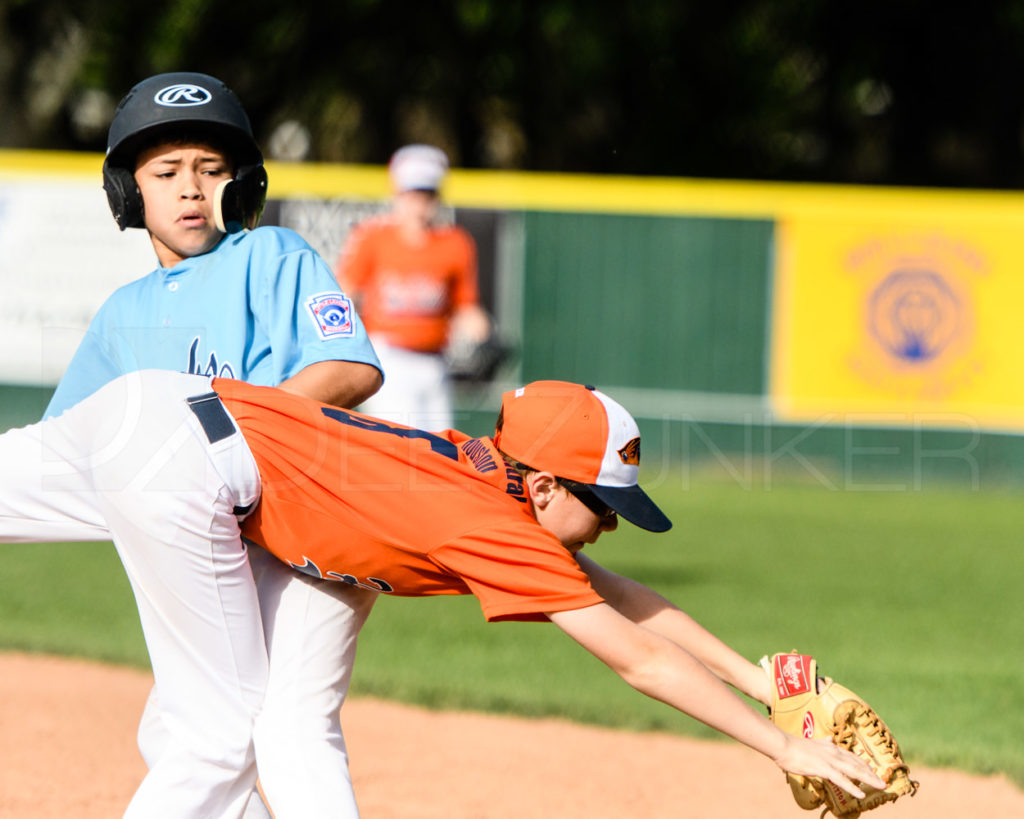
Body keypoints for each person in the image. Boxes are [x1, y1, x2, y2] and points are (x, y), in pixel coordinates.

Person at [0, 370, 887, 818]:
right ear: (544, 487)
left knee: (290, 717)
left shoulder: (485, 478)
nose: (609, 526)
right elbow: (640, 659)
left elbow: (626, 598)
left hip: (154, 408)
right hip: (191, 466)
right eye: (603, 505)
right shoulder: (494, 528)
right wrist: (780, 747)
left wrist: (761, 677)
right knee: (220, 721)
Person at [43, 72, 383, 818]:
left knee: (269, 729)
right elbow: (67, 444)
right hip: (206, 552)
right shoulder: (122, 314)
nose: (191, 189)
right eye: (166, 173)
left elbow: (351, 367)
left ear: (244, 184)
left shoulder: (271, 258)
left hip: (300, 536)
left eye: (212, 169)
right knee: (175, 728)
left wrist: (221, 434)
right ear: (129, 194)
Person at [335, 143, 492, 432]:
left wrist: (484, 334)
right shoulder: (374, 237)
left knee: (440, 451)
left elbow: (466, 305)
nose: (419, 203)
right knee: (399, 450)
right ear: (398, 194)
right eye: (412, 193)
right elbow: (343, 291)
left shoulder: (455, 243)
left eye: (427, 194)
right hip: (389, 359)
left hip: (435, 361)